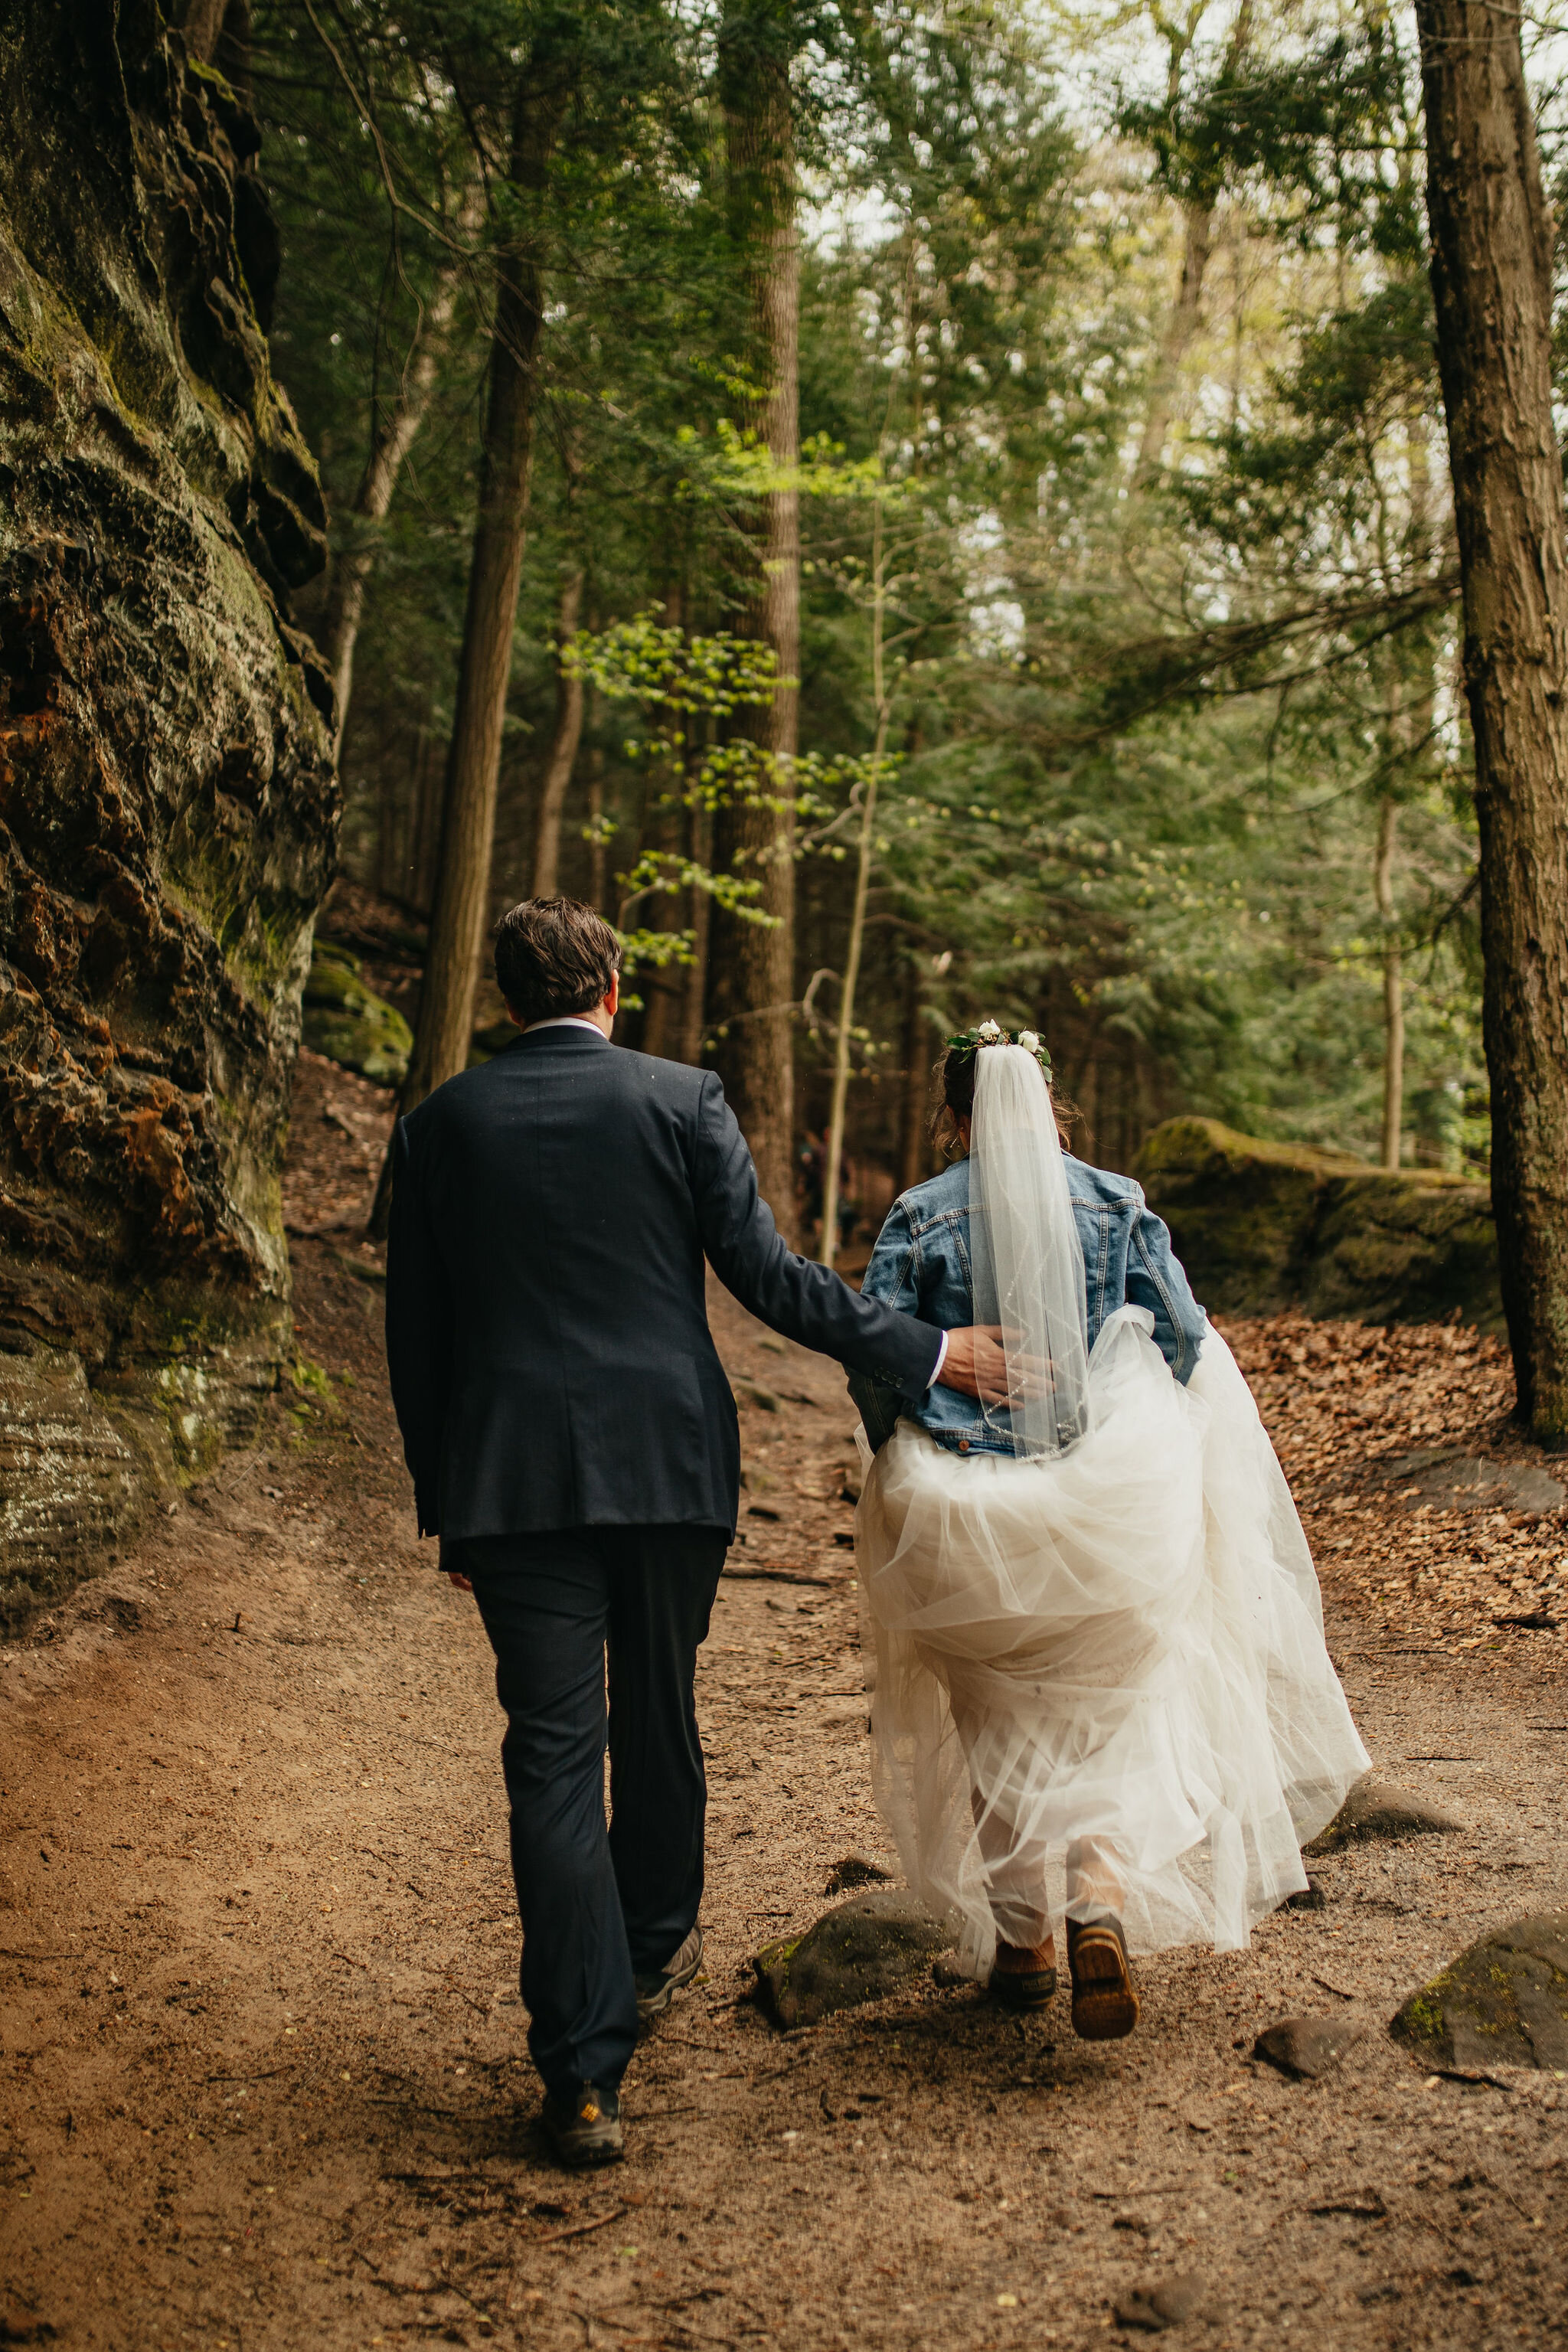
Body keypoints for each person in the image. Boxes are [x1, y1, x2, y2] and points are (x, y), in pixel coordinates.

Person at [384, 897, 1004, 2166]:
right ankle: (658, 1948)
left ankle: (583, 2072)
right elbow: (772, 1280)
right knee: (659, 1712)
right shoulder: (680, 1099)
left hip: (512, 1489)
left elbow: (418, 1343)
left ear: (509, 1002)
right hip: (669, 1468)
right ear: (611, 988)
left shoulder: (440, 1124)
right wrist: (935, 1352)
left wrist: (445, 1502)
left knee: (553, 1758)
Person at [848, 1024, 1369, 2038]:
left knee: (994, 1709)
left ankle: (1025, 1944)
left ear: (955, 1118)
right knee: (1116, 1705)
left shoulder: (919, 1213)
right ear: (1051, 1106)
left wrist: (903, 1459)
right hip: (1107, 1506)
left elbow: (877, 1361)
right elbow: (1179, 1339)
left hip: (964, 1512)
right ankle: (1099, 1894)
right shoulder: (1116, 1202)